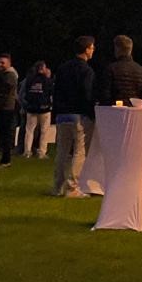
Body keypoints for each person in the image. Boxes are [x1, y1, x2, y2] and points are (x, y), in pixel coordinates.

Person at [51, 36, 96, 197]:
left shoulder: (63, 68)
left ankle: (57, 186)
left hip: (62, 114)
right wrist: (91, 113)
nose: (93, 50)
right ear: (86, 49)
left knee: (62, 150)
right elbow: (87, 94)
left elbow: (56, 91)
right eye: (92, 47)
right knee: (79, 150)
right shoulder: (86, 70)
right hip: (78, 114)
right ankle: (72, 186)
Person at [19, 61, 53, 158]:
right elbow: (51, 94)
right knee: (44, 131)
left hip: (31, 108)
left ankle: (27, 151)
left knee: (29, 130)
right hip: (44, 109)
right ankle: (42, 152)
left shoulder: (29, 80)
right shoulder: (47, 81)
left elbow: (25, 94)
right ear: (42, 68)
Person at [103, 35, 142, 103]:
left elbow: (105, 95)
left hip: (115, 110)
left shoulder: (111, 69)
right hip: (135, 110)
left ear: (117, 49)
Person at [0, 52, 19, 167]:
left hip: (7, 108)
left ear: (9, 63)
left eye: (3, 63)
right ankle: (4, 159)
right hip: (4, 107)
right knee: (3, 134)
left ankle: (6, 160)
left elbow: (4, 91)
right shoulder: (5, 75)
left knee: (6, 134)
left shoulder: (10, 75)